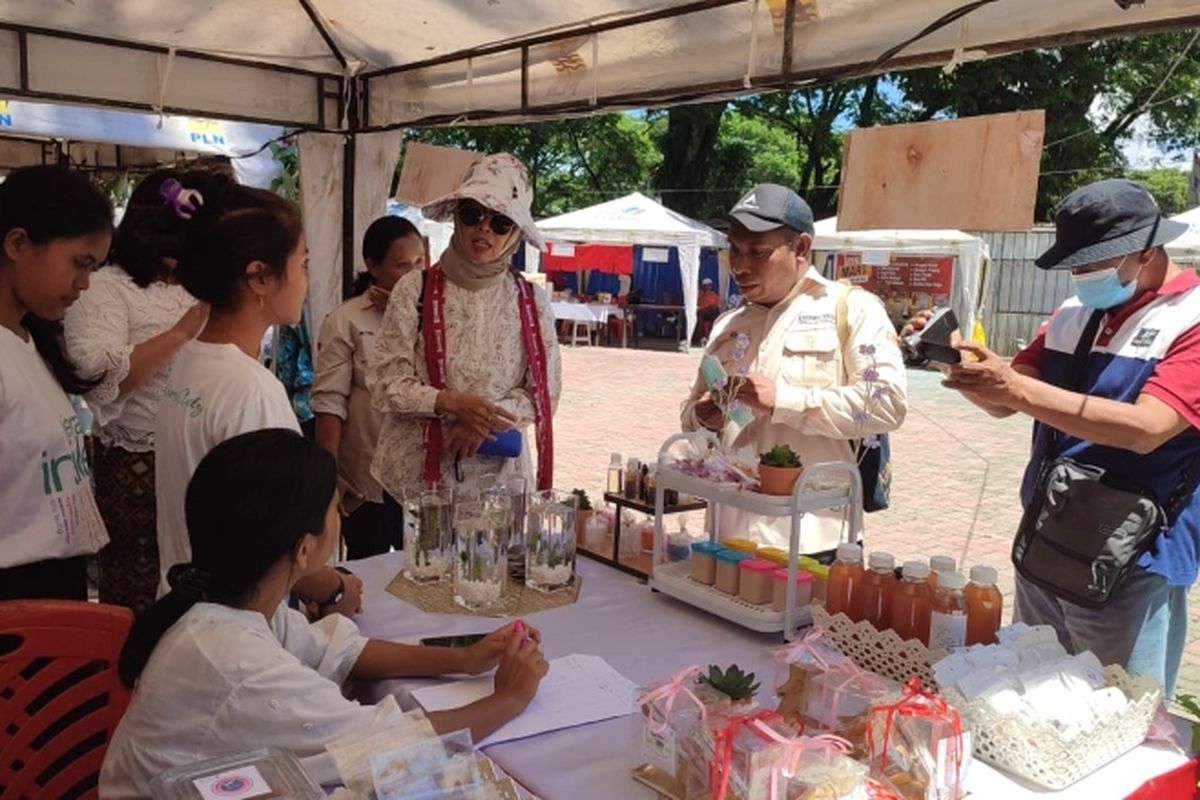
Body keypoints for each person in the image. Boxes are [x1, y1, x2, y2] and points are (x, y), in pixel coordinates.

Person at [99, 429, 549, 796]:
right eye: (336, 509)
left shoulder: (235, 601)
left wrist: (464, 658)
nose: (342, 517)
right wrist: (508, 700)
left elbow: (339, 650)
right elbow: (385, 745)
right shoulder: (232, 657)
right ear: (305, 548)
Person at [937, 179, 1200, 695]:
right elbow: (1007, 402)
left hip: (1132, 557)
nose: (1080, 276)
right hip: (1047, 535)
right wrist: (965, 372)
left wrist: (1012, 387)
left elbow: (1148, 429)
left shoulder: (1189, 319)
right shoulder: (1070, 316)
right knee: (1032, 692)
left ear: (1147, 251)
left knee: (1122, 711)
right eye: (1074, 264)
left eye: (1091, 264)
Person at [153, 172, 360, 617]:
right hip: (232, 618)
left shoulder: (191, 358)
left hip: (185, 604)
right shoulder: (251, 389)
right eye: (302, 264)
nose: (306, 281)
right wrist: (334, 589)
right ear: (260, 278)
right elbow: (274, 537)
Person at [680, 184, 907, 553]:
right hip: (727, 535)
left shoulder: (852, 308)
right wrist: (703, 418)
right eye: (734, 250)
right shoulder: (727, 324)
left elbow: (886, 404)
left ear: (801, 248)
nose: (739, 265)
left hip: (814, 539)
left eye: (758, 252)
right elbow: (690, 414)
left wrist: (782, 400)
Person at [368, 153, 561, 497]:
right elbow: (386, 381)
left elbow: (543, 394)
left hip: (499, 486)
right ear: (457, 218)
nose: (484, 228)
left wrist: (482, 423)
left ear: (515, 232)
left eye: (501, 221)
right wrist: (449, 402)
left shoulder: (531, 301)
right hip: (417, 481)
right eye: (473, 214)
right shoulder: (414, 288)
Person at [63, 169, 209, 612]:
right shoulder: (106, 287)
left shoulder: (199, 286)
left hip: (199, 453)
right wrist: (180, 334)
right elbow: (99, 382)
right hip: (136, 462)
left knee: (198, 575)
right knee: (141, 583)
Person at [0, 165, 113, 601]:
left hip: (54, 584)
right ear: (17, 243)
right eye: (79, 264)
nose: (84, 284)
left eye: (94, 269)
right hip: (16, 594)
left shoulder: (31, 340)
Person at [314, 216, 427, 557]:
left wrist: (407, 314)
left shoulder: (434, 318)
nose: (414, 273)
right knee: (368, 570)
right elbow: (329, 402)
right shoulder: (346, 320)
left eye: (420, 262)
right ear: (373, 267)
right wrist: (328, 473)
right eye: (402, 265)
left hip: (423, 477)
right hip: (366, 478)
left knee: (425, 568)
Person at [695, 276, 721, 344]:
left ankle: (712, 336)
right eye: (706, 286)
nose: (708, 287)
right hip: (701, 312)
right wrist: (703, 294)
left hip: (711, 313)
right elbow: (695, 303)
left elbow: (717, 306)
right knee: (699, 314)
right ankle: (700, 337)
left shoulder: (714, 295)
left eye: (709, 285)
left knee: (715, 311)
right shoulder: (699, 294)